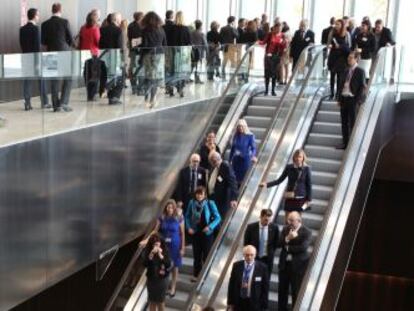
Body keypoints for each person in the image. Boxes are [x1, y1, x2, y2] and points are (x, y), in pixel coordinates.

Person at [141, 200, 185, 298]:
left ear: (174, 208)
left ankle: (173, 287)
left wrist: (182, 248)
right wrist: (147, 240)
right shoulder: (162, 217)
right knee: (164, 264)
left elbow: (182, 234)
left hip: (175, 244)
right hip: (165, 245)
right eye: (168, 207)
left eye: (171, 207)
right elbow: (155, 231)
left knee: (175, 266)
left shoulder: (179, 217)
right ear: (165, 208)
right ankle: (165, 285)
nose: (169, 209)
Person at [41, 2, 74, 112]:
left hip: (50, 53)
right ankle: (64, 103)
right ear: (60, 10)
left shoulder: (44, 24)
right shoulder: (65, 22)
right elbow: (71, 40)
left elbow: (43, 42)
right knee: (68, 78)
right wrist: (66, 45)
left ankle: (56, 106)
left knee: (54, 80)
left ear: (52, 10)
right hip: (64, 53)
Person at [185, 186, 221, 281]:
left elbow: (218, 217)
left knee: (206, 255)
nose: (199, 195)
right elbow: (187, 216)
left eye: (201, 194)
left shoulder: (210, 203)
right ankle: (196, 275)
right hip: (196, 233)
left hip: (207, 234)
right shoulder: (191, 203)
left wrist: (210, 226)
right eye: (198, 193)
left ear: (205, 195)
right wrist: (188, 228)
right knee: (196, 255)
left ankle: (205, 277)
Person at [278, 211, 312, 311]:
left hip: (298, 267)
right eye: (288, 220)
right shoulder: (285, 229)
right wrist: (287, 238)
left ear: (299, 220)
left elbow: (303, 247)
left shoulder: (306, 232)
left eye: (292, 220)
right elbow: (279, 243)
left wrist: (288, 248)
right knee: (282, 291)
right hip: (284, 265)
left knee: (295, 291)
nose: (289, 222)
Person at [260, 149, 312, 214]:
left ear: (303, 158)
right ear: (294, 158)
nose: (298, 159)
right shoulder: (289, 167)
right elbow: (279, 180)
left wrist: (309, 199)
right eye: (296, 157)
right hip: (290, 196)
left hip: (301, 197)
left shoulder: (307, 169)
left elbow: (309, 185)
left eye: (300, 157)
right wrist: (267, 184)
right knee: (287, 219)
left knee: (297, 220)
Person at [19, 8, 50, 111]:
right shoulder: (36, 29)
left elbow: (22, 45)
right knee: (41, 80)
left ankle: (27, 104)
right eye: (38, 15)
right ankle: (45, 102)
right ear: (34, 16)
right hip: (35, 58)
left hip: (25, 58)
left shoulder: (22, 29)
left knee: (27, 82)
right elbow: (37, 46)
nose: (38, 17)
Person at [336, 51, 366, 149]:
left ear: (356, 59)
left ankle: (352, 144)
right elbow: (340, 86)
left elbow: (362, 87)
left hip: (352, 99)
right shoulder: (345, 70)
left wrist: (357, 100)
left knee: (352, 122)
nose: (349, 59)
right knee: (344, 122)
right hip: (344, 99)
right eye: (348, 58)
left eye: (351, 58)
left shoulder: (360, 71)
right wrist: (339, 99)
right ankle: (345, 143)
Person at [227, 245, 269, 311]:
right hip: (239, 301)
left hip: (254, 303)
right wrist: (230, 302)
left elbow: (265, 288)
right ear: (243, 255)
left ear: (255, 255)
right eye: (247, 255)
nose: (249, 257)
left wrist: (264, 306)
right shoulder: (236, 266)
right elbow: (231, 284)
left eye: (251, 255)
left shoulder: (263, 268)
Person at [140, 11, 167, 107]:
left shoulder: (145, 31)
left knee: (148, 77)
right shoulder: (161, 30)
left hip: (148, 55)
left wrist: (141, 57)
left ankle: (146, 99)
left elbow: (144, 45)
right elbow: (165, 44)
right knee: (155, 79)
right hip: (159, 55)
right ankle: (153, 99)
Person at [244, 209, 279, 275]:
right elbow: (246, 243)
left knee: (266, 278)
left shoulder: (274, 228)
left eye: (269, 219)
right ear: (261, 217)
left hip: (267, 259)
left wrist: (270, 252)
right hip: (254, 257)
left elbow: (276, 243)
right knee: (252, 276)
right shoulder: (251, 227)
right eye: (266, 219)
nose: (267, 222)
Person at [99, 12, 124, 105]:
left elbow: (100, 44)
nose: (121, 20)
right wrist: (122, 58)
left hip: (104, 56)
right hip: (114, 56)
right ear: (116, 20)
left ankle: (108, 94)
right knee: (119, 76)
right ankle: (113, 96)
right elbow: (119, 46)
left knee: (106, 75)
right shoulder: (118, 30)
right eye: (120, 18)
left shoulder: (102, 29)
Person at [142, 233, 171, 311]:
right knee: (152, 302)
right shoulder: (148, 251)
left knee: (160, 302)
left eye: (158, 244)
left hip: (162, 280)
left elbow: (168, 264)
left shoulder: (165, 250)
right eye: (154, 244)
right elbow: (144, 264)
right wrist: (151, 254)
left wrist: (160, 255)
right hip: (151, 279)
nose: (156, 246)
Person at [208, 151, 239, 219]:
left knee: (220, 218)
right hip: (215, 198)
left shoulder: (225, 166)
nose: (211, 163)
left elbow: (232, 181)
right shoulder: (216, 168)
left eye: (211, 161)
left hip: (222, 200)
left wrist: (234, 198)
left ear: (214, 160)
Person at [327, 19, 352, 100]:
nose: (336, 26)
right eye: (336, 24)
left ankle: (338, 94)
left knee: (339, 77)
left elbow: (349, 47)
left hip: (342, 58)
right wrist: (330, 45)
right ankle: (331, 93)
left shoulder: (346, 34)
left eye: (338, 24)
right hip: (333, 57)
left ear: (342, 25)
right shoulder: (332, 32)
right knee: (332, 76)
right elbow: (328, 43)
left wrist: (340, 47)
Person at [260, 22, 287, 96]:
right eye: (277, 28)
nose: (278, 29)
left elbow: (284, 46)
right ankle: (266, 90)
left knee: (274, 74)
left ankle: (273, 90)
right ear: (274, 28)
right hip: (268, 56)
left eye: (280, 28)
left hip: (276, 56)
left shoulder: (282, 35)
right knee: (267, 73)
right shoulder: (270, 34)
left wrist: (282, 55)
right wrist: (257, 42)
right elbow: (263, 42)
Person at [229, 119, 257, 186]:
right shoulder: (235, 136)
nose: (240, 128)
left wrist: (252, 156)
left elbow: (254, 148)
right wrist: (230, 160)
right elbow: (232, 149)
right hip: (236, 160)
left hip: (245, 160)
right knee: (235, 179)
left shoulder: (250, 136)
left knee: (243, 179)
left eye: (242, 126)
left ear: (245, 127)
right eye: (239, 126)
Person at [170, 11, 191, 97]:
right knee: (182, 71)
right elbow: (189, 42)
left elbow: (169, 41)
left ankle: (172, 87)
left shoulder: (172, 28)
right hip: (183, 53)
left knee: (174, 70)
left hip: (173, 52)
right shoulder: (186, 29)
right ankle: (180, 88)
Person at [128, 12, 144, 95]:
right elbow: (133, 40)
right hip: (135, 51)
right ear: (140, 18)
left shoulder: (133, 25)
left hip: (139, 51)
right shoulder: (132, 26)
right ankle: (135, 87)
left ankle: (138, 88)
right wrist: (142, 39)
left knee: (138, 69)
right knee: (135, 69)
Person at [220, 16, 239, 80]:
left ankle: (223, 74)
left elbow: (220, 38)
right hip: (231, 47)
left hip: (224, 47)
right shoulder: (232, 28)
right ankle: (232, 75)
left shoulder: (222, 28)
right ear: (233, 21)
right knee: (232, 61)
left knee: (224, 60)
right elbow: (237, 36)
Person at [190, 20, 208, 84]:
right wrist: (207, 53)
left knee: (192, 65)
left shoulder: (191, 33)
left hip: (192, 52)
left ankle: (188, 78)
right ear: (200, 26)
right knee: (198, 66)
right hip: (200, 53)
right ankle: (197, 79)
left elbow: (190, 42)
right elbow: (205, 44)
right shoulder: (202, 34)